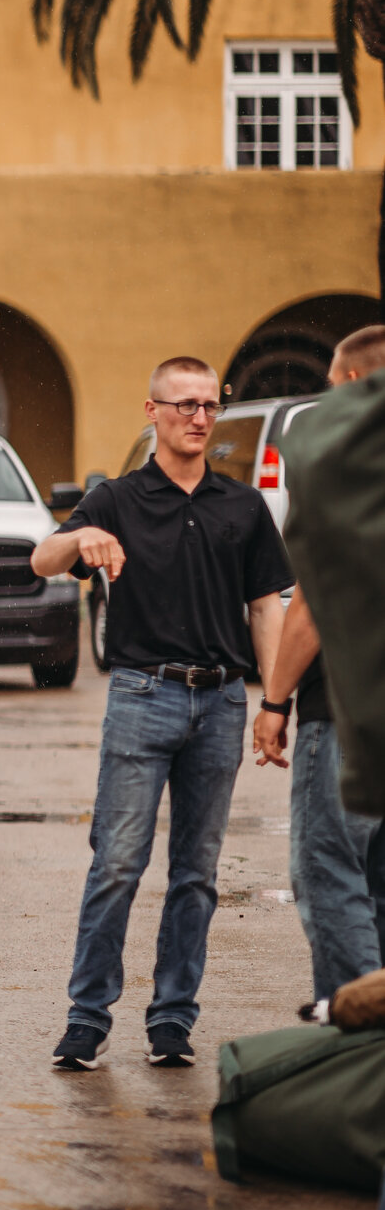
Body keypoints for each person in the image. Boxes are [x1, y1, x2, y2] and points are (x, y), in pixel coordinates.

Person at [35, 356, 291, 1070]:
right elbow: (40, 559)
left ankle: (172, 1020)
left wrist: (274, 702)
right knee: (116, 862)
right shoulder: (116, 498)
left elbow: (266, 607)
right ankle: (87, 1018)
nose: (200, 418)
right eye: (184, 405)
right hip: (140, 696)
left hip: (220, 704)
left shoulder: (242, 506)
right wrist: (77, 540)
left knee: (197, 873)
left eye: (210, 404)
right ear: (152, 411)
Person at [253, 324, 385, 1003]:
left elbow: (310, 604)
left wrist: (275, 701)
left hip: (347, 716)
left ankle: (360, 1035)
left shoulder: (346, 466)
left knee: (331, 874)